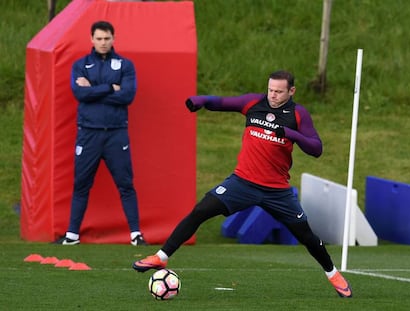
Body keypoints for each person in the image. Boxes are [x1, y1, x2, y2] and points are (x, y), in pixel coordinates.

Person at [132, 70, 352, 298]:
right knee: (200, 211)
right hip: (242, 183)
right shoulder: (254, 103)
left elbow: (316, 149)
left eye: (279, 92)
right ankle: (161, 257)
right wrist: (202, 101)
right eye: (271, 90)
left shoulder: (298, 115)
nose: (273, 95)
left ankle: (333, 274)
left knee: (306, 235)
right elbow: (223, 102)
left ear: (291, 91)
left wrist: (289, 133)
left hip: (277, 191)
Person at [56, 21, 146, 246]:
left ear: (113, 39)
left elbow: (127, 96)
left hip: (116, 134)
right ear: (91, 39)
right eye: (99, 38)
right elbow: (79, 93)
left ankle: (136, 235)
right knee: (81, 183)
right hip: (88, 134)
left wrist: (93, 89)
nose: (103, 43)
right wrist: (109, 88)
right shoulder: (81, 65)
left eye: (107, 38)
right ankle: (72, 236)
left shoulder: (125, 65)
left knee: (125, 184)